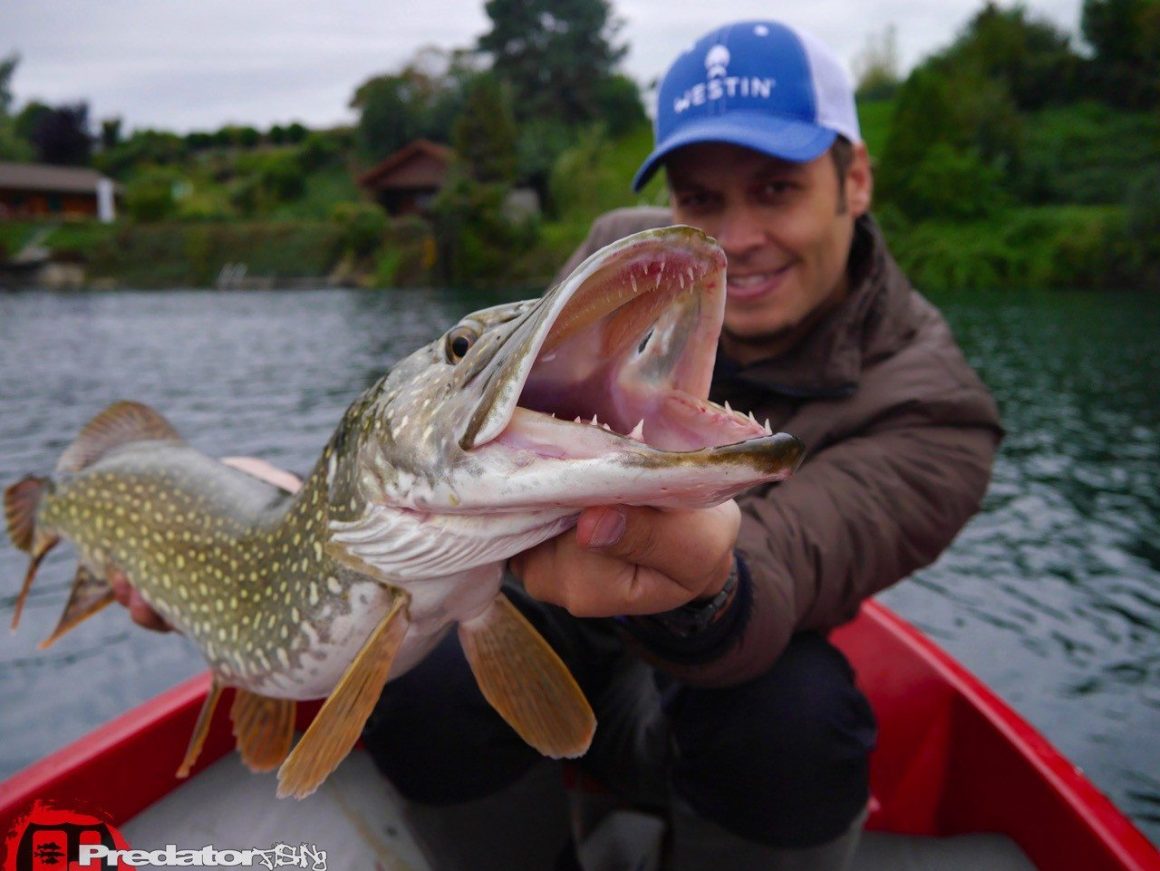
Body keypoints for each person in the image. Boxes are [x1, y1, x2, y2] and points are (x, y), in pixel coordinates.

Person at [115, 19, 1002, 870]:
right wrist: (301, 505)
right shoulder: (623, 257)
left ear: (856, 181)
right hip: (557, 634)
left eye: (776, 188)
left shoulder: (934, 408)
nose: (734, 237)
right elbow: (493, 419)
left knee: (797, 721)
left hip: (724, 686)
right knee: (417, 684)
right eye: (700, 196)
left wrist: (696, 583)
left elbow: (788, 561)